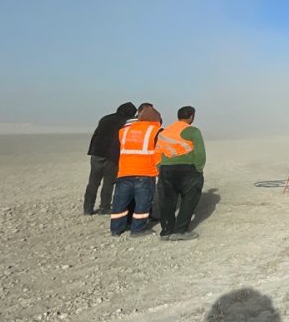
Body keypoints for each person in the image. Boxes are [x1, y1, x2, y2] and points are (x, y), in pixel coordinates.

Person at [156, 105, 207, 242]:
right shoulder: (192, 131)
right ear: (191, 117)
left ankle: (166, 231)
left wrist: (160, 167)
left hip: (166, 169)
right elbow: (200, 152)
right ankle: (180, 230)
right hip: (187, 169)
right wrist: (198, 168)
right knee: (189, 198)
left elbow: (158, 151)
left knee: (167, 200)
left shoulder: (165, 131)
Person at [111, 106, 163, 237]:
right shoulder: (156, 131)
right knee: (143, 203)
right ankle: (138, 229)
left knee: (120, 202)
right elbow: (159, 152)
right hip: (145, 172)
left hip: (124, 171)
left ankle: (116, 228)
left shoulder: (124, 131)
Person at [83, 102, 137, 215]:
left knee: (93, 182)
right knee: (108, 182)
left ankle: (88, 208)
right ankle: (104, 207)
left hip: (96, 153)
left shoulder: (105, 119)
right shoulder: (126, 122)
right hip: (112, 155)